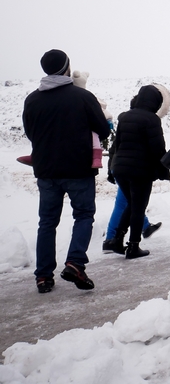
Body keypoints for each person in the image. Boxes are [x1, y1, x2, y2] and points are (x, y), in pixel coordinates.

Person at [22, 49, 111, 293]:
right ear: (66, 67)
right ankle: (75, 262)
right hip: (78, 169)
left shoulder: (32, 100)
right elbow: (103, 129)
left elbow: (30, 133)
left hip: (46, 170)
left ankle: (43, 276)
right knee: (83, 215)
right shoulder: (81, 96)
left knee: (47, 222)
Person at [107, 84, 170, 259]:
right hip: (140, 171)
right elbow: (157, 148)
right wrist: (164, 170)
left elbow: (117, 143)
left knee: (131, 204)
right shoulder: (152, 119)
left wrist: (111, 168)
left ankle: (116, 240)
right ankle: (133, 246)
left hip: (120, 168)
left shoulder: (125, 117)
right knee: (138, 207)